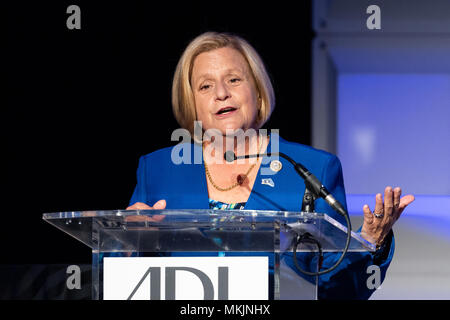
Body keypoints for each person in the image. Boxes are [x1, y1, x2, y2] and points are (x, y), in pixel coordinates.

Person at [126, 32, 415, 299]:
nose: (222, 93)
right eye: (205, 86)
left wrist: (369, 241)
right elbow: (120, 277)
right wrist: (126, 243)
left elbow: (337, 290)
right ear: (192, 103)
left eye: (234, 80)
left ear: (258, 91)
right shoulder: (159, 169)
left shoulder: (313, 169)